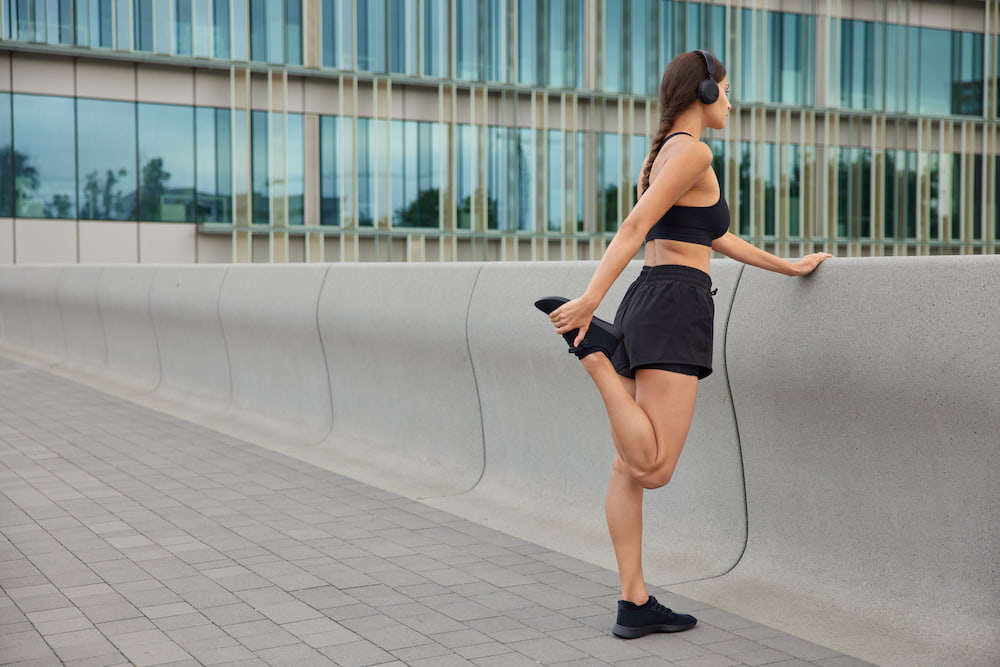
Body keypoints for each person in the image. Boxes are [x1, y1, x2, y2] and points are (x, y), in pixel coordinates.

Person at [535, 50, 832, 639]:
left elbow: (716, 235)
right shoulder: (694, 151)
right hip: (674, 305)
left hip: (650, 299)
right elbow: (633, 228)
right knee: (655, 468)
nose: (731, 101)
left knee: (626, 465)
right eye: (726, 89)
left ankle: (634, 602)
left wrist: (791, 267)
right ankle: (592, 353)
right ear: (702, 91)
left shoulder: (661, 155)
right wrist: (591, 301)